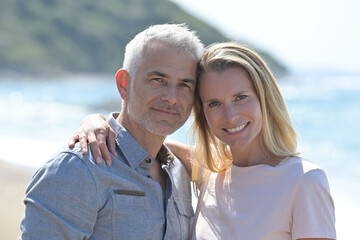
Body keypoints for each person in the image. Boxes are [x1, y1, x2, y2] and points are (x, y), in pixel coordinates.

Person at [70, 42, 336, 239]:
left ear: (265, 98)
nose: (230, 116)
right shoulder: (210, 170)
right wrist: (96, 122)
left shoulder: (303, 181)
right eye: (214, 103)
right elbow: (137, 140)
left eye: (241, 97)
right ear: (202, 112)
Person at [20, 23, 204, 240]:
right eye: (158, 80)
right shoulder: (78, 170)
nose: (171, 97)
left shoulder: (180, 172)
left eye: (184, 85)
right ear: (124, 84)